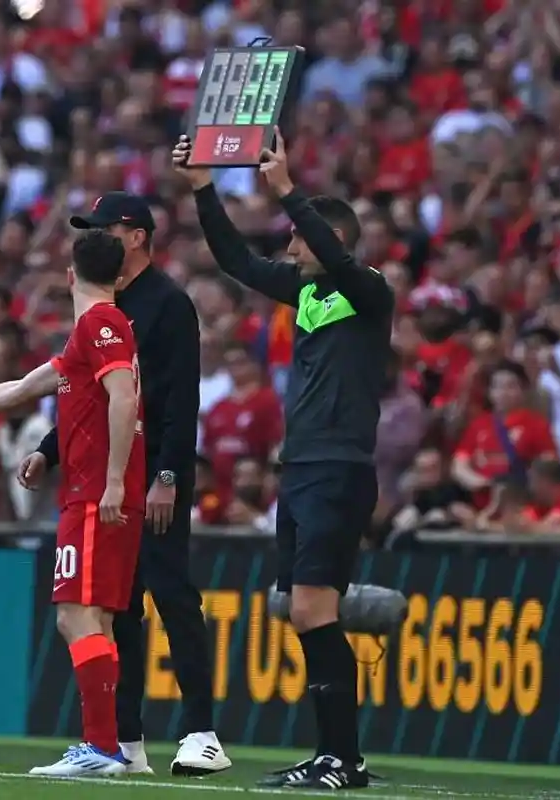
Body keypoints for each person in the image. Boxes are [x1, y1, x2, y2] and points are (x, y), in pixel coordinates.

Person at [174, 129, 394, 790]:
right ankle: (336, 756)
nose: (291, 250)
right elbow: (236, 260)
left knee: (313, 611)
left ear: (332, 239)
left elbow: (331, 254)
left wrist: (289, 191)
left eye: (299, 239)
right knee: (302, 611)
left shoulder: (369, 291)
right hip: (299, 467)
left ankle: (341, 759)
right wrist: (203, 188)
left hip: (338, 466)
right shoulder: (307, 294)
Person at [0, 230, 146, 777]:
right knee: (97, 619)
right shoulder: (95, 332)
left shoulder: (100, 324)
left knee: (74, 615)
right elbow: (18, 389)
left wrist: (112, 480)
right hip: (98, 492)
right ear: (119, 276)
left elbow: (124, 396)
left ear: (70, 276)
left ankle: (101, 748)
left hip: (96, 494)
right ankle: (112, 747)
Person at [25, 193, 228, 776]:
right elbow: (84, 393)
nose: (95, 237)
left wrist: (167, 475)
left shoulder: (167, 303)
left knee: (172, 592)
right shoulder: (105, 305)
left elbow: (179, 398)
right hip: (119, 474)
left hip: (152, 471)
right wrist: (48, 450)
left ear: (137, 236)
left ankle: (202, 733)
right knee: (121, 607)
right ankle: (127, 740)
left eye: (105, 228)